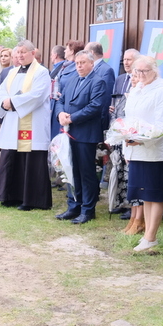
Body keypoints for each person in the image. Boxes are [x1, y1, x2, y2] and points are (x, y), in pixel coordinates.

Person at [120, 55, 163, 252]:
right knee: (144, 195)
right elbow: (130, 118)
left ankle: (151, 236)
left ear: (155, 70)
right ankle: (147, 235)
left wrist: (141, 138)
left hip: (153, 151)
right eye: (137, 71)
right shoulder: (136, 89)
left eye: (145, 71)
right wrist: (125, 138)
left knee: (154, 194)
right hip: (135, 150)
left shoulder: (162, 90)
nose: (141, 75)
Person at [56, 50, 113, 223]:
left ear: (91, 63)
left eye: (82, 63)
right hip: (69, 132)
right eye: (77, 63)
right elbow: (60, 100)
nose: (79, 66)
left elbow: (95, 107)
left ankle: (87, 210)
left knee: (86, 173)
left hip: (85, 135)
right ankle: (74, 206)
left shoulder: (98, 81)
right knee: (70, 170)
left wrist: (72, 118)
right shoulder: (73, 79)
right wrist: (60, 114)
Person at [0, 40, 53, 211]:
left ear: (32, 53)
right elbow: (2, 91)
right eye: (18, 52)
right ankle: (10, 195)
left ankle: (31, 199)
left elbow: (36, 96)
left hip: (31, 122)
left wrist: (12, 102)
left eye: (23, 52)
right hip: (13, 121)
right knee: (10, 157)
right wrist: (5, 102)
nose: (20, 55)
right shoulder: (12, 72)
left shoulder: (42, 72)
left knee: (30, 160)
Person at [109, 48, 139, 219]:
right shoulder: (120, 79)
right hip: (118, 128)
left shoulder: (140, 82)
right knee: (118, 167)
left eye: (130, 59)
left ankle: (131, 206)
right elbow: (114, 101)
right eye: (125, 60)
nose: (126, 62)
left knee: (129, 171)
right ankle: (120, 203)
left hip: (131, 132)